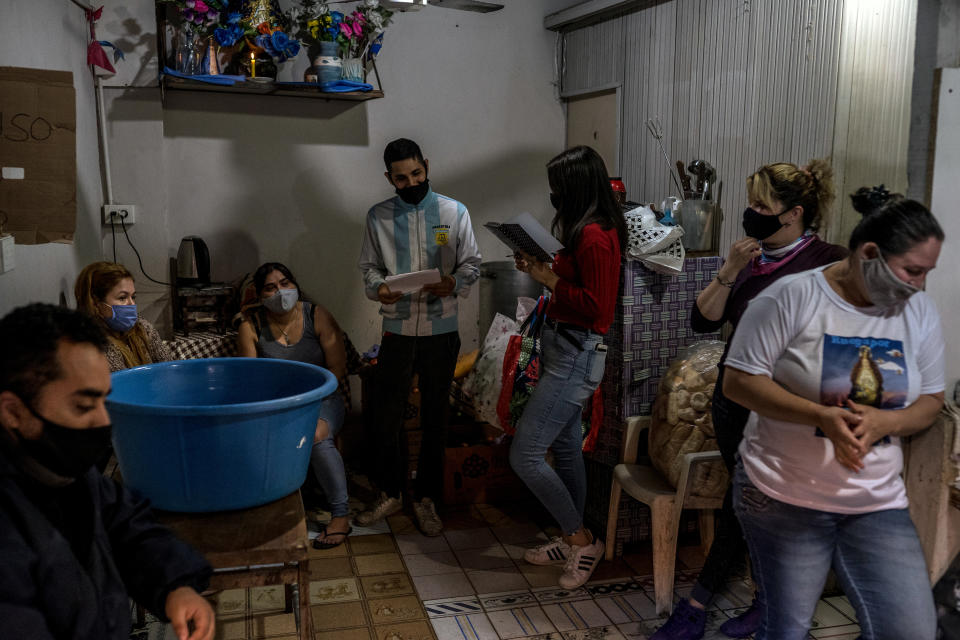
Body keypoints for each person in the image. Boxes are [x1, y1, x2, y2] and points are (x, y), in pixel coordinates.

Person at [723, 187, 944, 640]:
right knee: (785, 630)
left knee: (909, 631)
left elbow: (931, 401)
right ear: (869, 253)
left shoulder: (917, 311)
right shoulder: (790, 297)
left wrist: (886, 422)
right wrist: (820, 416)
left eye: (926, 273)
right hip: (784, 497)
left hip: (876, 502)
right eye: (912, 271)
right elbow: (739, 382)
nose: (919, 284)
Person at [653, 159, 848, 639]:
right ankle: (762, 603)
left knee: (749, 502)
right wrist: (729, 269)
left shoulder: (829, 259)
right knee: (750, 499)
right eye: (751, 200)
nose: (752, 211)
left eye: (763, 204)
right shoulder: (750, 258)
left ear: (794, 213)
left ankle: (699, 606)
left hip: (785, 404)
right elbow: (703, 321)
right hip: (733, 398)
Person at [0, 303, 214, 640]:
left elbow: (126, 525)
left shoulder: (63, 471)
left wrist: (175, 586)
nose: (104, 422)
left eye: (104, 401)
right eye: (84, 406)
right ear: (13, 411)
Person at [509, 145, 625, 589]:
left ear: (575, 187)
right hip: (562, 345)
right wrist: (544, 264)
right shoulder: (582, 232)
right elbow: (575, 281)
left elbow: (598, 308)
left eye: (558, 185)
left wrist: (549, 278)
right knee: (565, 447)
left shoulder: (596, 235)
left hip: (577, 353)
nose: (553, 193)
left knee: (526, 453)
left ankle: (581, 539)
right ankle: (570, 533)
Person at [357, 138, 481, 536]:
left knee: (435, 418)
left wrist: (453, 281)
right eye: (401, 178)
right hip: (396, 329)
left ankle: (426, 498)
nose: (411, 183)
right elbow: (369, 270)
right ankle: (391, 492)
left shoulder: (453, 211)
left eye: (416, 174)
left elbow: (473, 264)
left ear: (426, 166)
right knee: (386, 417)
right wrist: (380, 289)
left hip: (441, 331)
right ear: (388, 178)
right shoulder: (378, 217)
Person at [237, 262, 351, 549]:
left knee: (315, 436)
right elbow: (249, 379)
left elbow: (337, 369)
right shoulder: (251, 326)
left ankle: (341, 515)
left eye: (286, 283)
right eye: (271, 287)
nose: (281, 291)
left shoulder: (317, 315)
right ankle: (272, 515)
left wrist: (308, 398)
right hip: (275, 407)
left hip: (322, 400)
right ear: (260, 295)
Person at [74, 261, 172, 372]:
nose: (132, 304)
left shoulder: (142, 328)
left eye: (133, 297)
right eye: (122, 298)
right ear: (96, 303)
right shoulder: (94, 344)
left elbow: (169, 368)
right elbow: (125, 384)